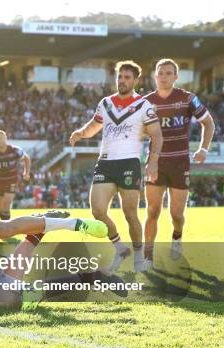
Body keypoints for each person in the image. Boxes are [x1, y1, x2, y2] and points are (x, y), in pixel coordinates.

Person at [70, 60, 163, 273]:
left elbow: (157, 135)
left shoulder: (143, 106)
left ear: (135, 80)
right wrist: (81, 133)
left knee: (130, 214)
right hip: (105, 163)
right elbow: (94, 126)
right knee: (98, 211)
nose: (122, 80)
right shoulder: (106, 103)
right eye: (120, 76)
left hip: (129, 163)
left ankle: (139, 256)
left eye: (127, 77)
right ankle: (120, 248)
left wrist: (153, 161)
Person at [143, 59, 215, 266]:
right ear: (155, 77)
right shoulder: (145, 102)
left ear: (176, 77)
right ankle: (148, 255)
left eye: (168, 73)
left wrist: (203, 148)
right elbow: (137, 130)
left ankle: (176, 237)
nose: (164, 77)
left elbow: (208, 123)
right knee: (153, 211)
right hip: (156, 163)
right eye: (160, 73)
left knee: (176, 214)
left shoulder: (188, 99)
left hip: (180, 164)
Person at [0, 130, 30, 220]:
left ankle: (7, 230)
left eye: (0, 138)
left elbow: (26, 159)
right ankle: (3, 225)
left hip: (11, 179)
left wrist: (26, 173)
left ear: (5, 138)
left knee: (6, 203)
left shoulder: (14, 150)